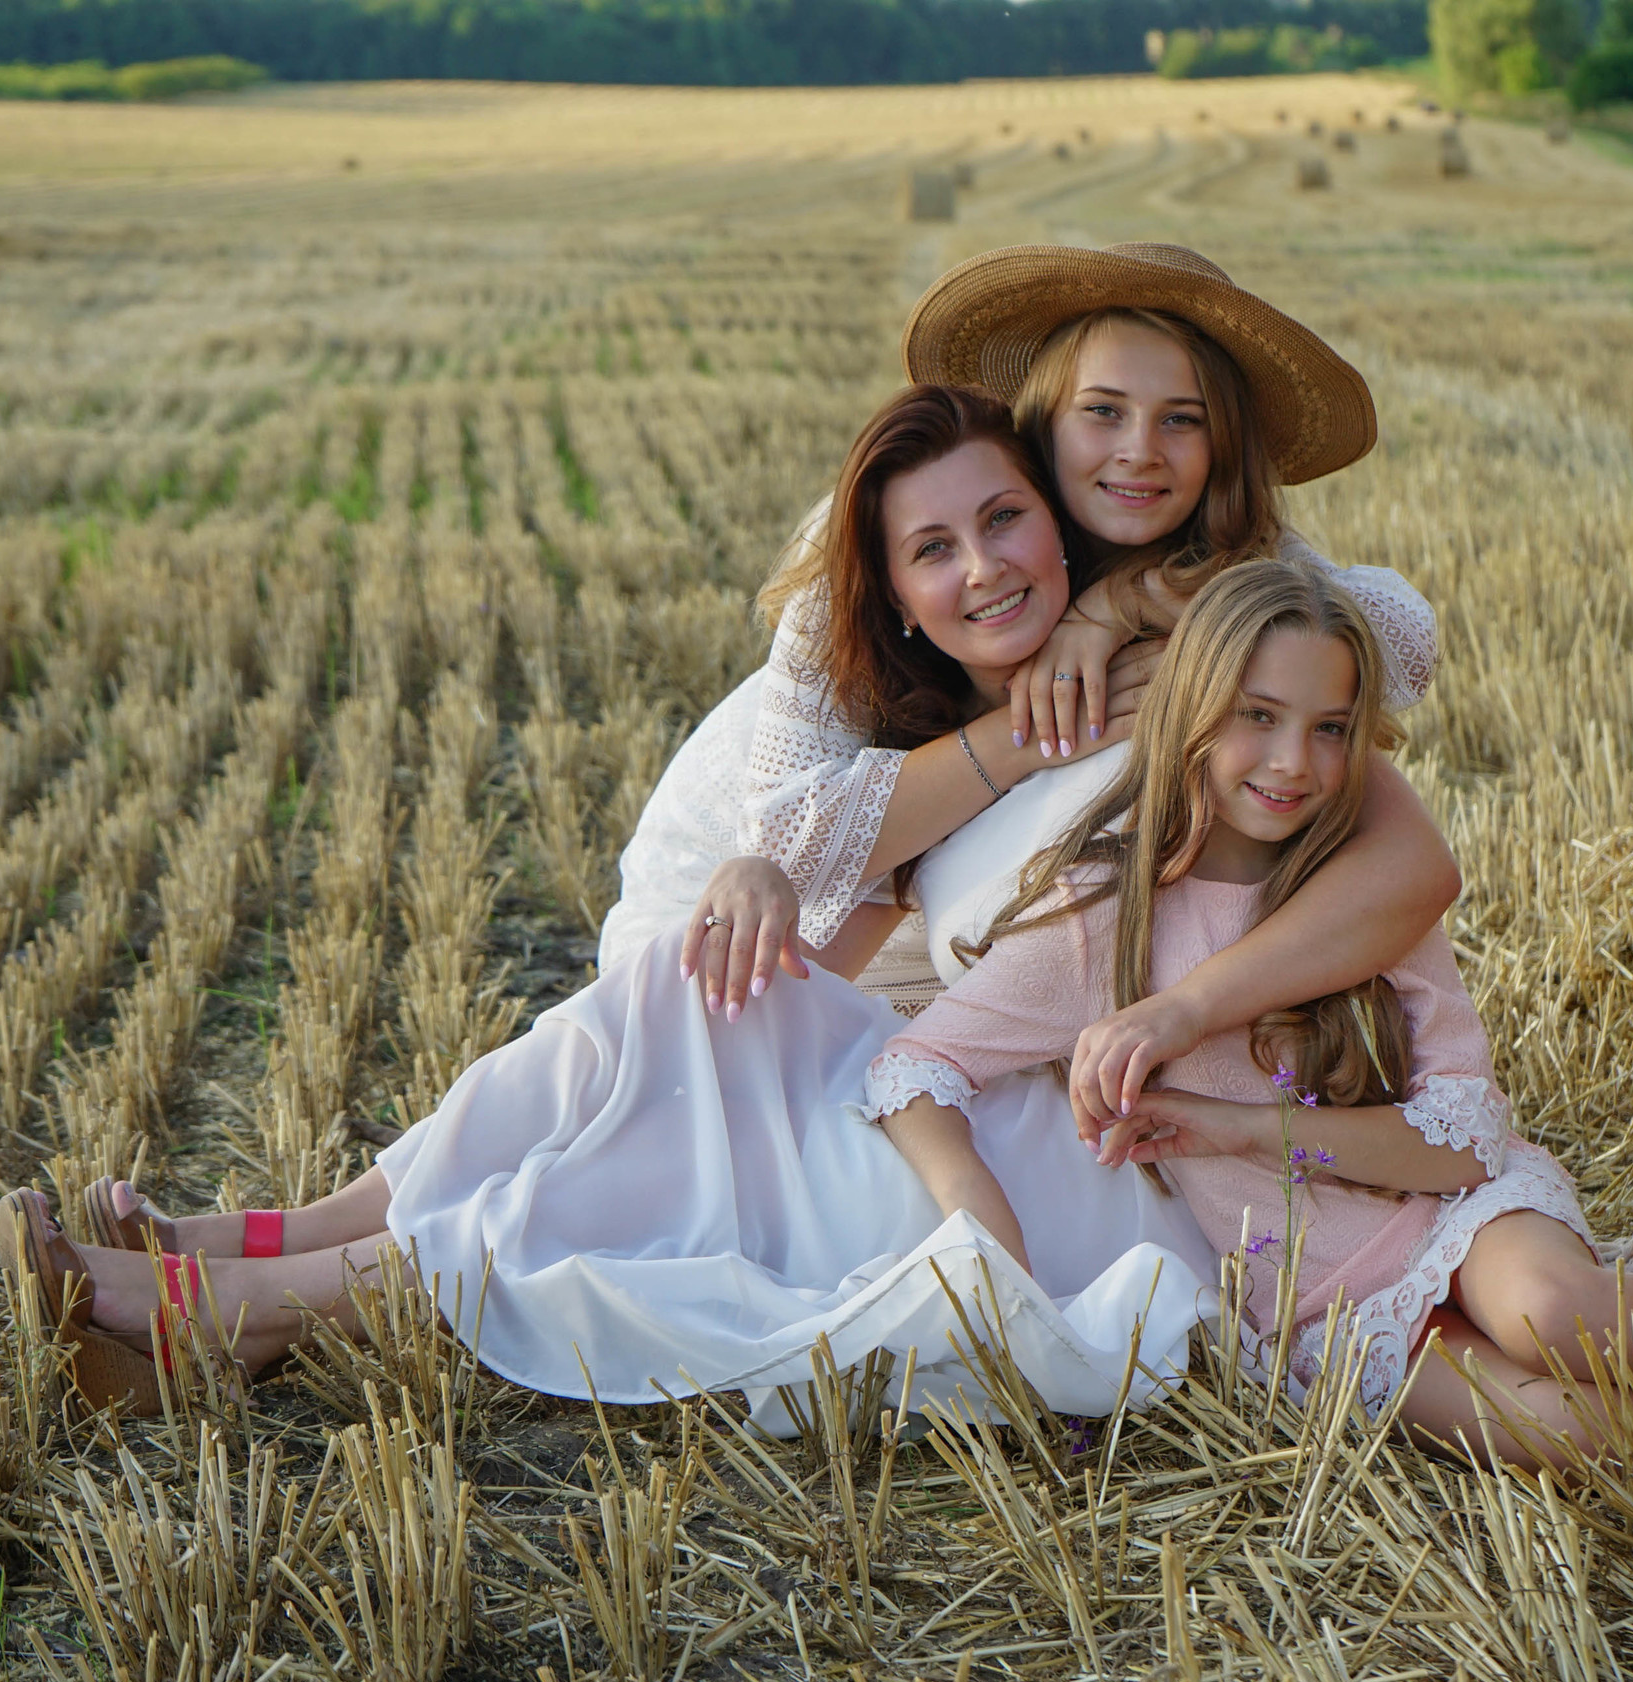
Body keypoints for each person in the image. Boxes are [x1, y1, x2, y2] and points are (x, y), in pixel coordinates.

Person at [2, 385, 1224, 1420]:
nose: (985, 567)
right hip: (950, 1082)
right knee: (673, 1015)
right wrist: (749, 957)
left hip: (1067, 1138)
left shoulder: (1176, 679)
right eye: (934, 550)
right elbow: (838, 959)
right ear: (900, 598)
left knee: (663, 1151)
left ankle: (249, 1297)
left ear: (1061, 530)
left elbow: (1371, 678)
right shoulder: (944, 739)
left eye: (1008, 519)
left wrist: (1119, 617)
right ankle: (277, 1271)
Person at [861, 558, 1633, 1472]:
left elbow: (1454, 1142)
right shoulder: (1098, 920)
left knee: (1553, 1312)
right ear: (1192, 715)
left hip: (1462, 1216)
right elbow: (912, 1067)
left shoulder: (1346, 896)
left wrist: (1228, 1132)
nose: (1294, 763)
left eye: (1330, 730)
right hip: (1318, 1313)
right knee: (1611, 1444)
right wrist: (977, 1217)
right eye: (1258, 717)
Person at [602, 245, 1460, 1152]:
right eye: (1102, 412)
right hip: (752, 925)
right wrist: (1031, 732)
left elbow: (1399, 642)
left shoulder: (1207, 559)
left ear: (1221, 449)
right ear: (1043, 420)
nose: (1139, 450)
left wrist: (1121, 602)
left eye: (1183, 419)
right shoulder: (928, 516)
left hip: (987, 943)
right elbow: (783, 845)